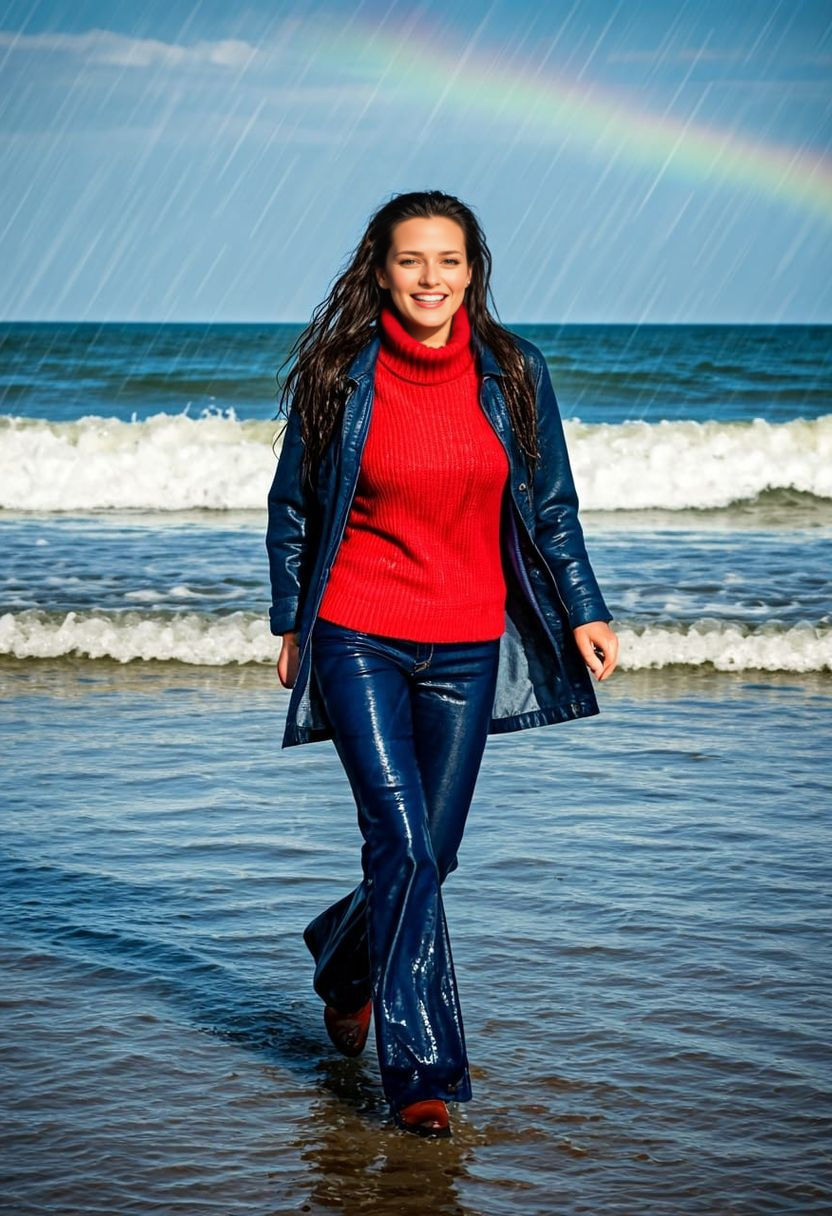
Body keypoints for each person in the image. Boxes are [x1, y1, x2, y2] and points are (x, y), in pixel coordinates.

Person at [265, 189, 618, 1139]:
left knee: (435, 851)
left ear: (473, 269)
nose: (431, 279)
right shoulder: (340, 374)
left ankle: (341, 961)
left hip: (467, 644)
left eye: (449, 260)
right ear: (380, 268)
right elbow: (294, 505)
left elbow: (551, 508)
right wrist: (291, 620)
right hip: (358, 633)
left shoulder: (514, 373)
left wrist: (585, 609)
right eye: (412, 260)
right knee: (406, 845)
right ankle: (422, 1076)